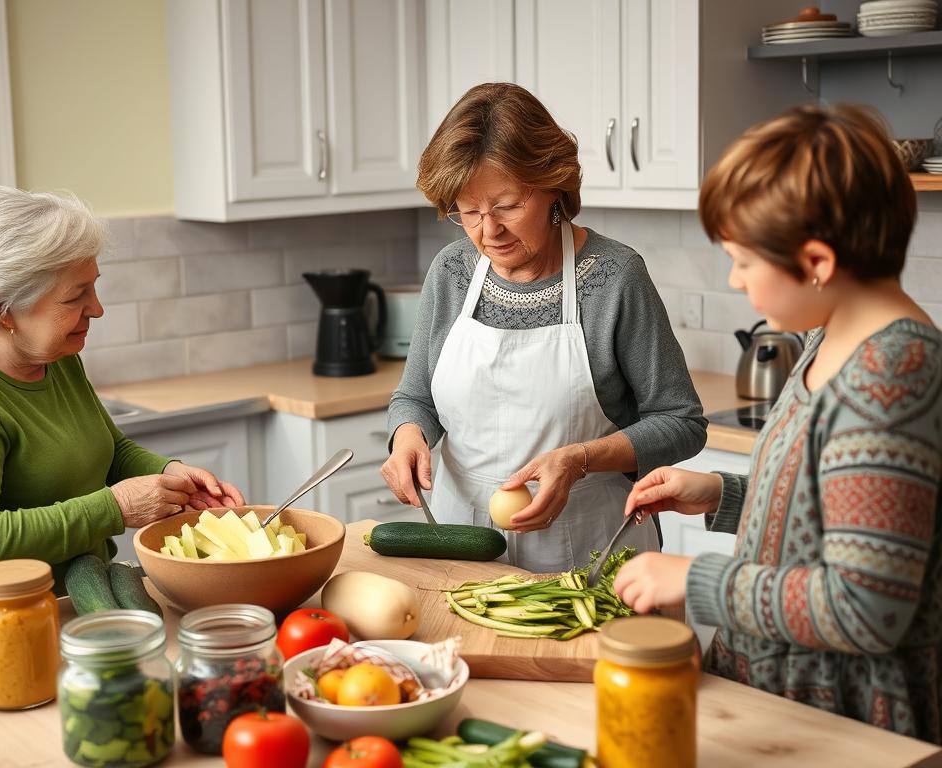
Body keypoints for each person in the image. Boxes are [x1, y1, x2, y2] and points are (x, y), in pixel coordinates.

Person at [613, 104, 942, 743]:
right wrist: (722, 493)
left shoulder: (892, 376)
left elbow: (865, 607)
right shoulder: (830, 337)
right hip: (783, 701)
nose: (735, 279)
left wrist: (692, 578)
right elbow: (831, 513)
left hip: (852, 727)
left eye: (741, 259)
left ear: (816, 260)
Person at [380, 83, 707, 572]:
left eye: (507, 205)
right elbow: (416, 398)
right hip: (461, 547)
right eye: (468, 212)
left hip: (590, 551)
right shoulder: (452, 271)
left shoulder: (615, 277)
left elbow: (681, 422)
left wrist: (580, 459)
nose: (488, 232)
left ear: (553, 183)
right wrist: (407, 437)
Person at [0, 186, 245, 588]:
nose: (97, 308)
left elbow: (109, 450)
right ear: (2, 306)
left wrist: (172, 474)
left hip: (83, 595)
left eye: (93, 285)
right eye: (75, 297)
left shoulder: (52, 353)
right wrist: (116, 507)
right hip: (4, 621)